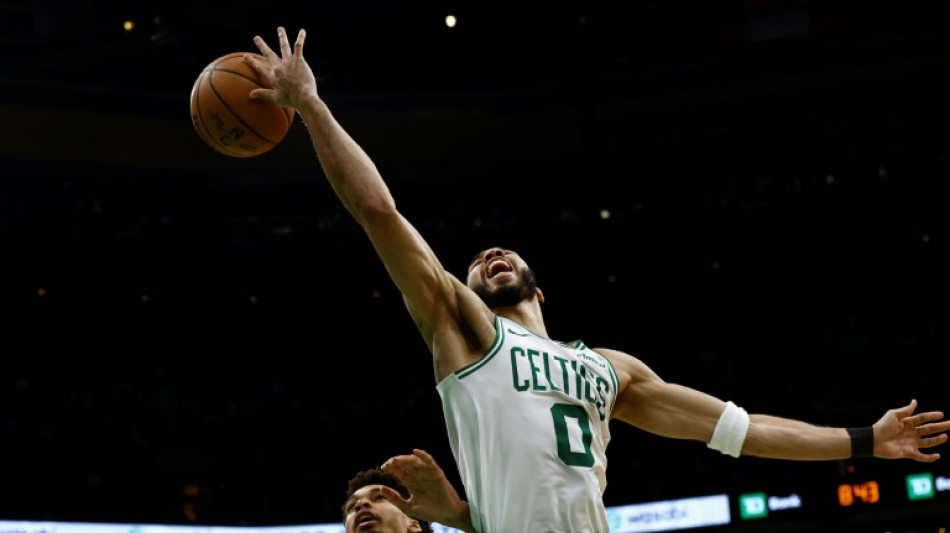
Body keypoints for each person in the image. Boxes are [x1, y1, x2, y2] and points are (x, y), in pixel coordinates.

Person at [245, 27, 950, 533]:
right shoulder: (463, 329)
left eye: (503, 252)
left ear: (538, 290)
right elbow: (378, 212)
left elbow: (744, 430)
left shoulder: (611, 370)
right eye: (478, 261)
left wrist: (864, 440)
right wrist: (311, 106)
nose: (492, 254)